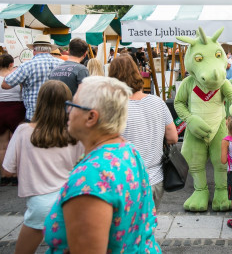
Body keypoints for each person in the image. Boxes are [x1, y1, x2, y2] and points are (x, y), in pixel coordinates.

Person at [43, 76, 160, 253]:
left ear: (91, 117)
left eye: (73, 106)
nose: (68, 111)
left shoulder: (91, 179)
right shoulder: (128, 150)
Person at [2, 81, 83, 254]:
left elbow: (7, 170)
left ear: (40, 102)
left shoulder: (23, 131)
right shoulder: (76, 133)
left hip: (39, 204)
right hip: (70, 201)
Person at [109, 54, 178, 209]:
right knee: (149, 226)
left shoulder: (113, 107)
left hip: (124, 180)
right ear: (137, 72)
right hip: (155, 179)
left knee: (127, 228)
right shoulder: (157, 102)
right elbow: (173, 137)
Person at [1, 34, 62, 121]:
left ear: (34, 50)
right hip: (57, 113)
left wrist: (13, 70)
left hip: (34, 114)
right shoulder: (62, 64)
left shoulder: (26, 65)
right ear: (49, 50)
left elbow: (5, 84)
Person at [0, 54, 25, 186]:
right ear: (11, 64)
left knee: (2, 145)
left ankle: (4, 175)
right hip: (16, 109)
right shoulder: (14, 77)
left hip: (1, 109)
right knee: (16, 144)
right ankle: (15, 175)